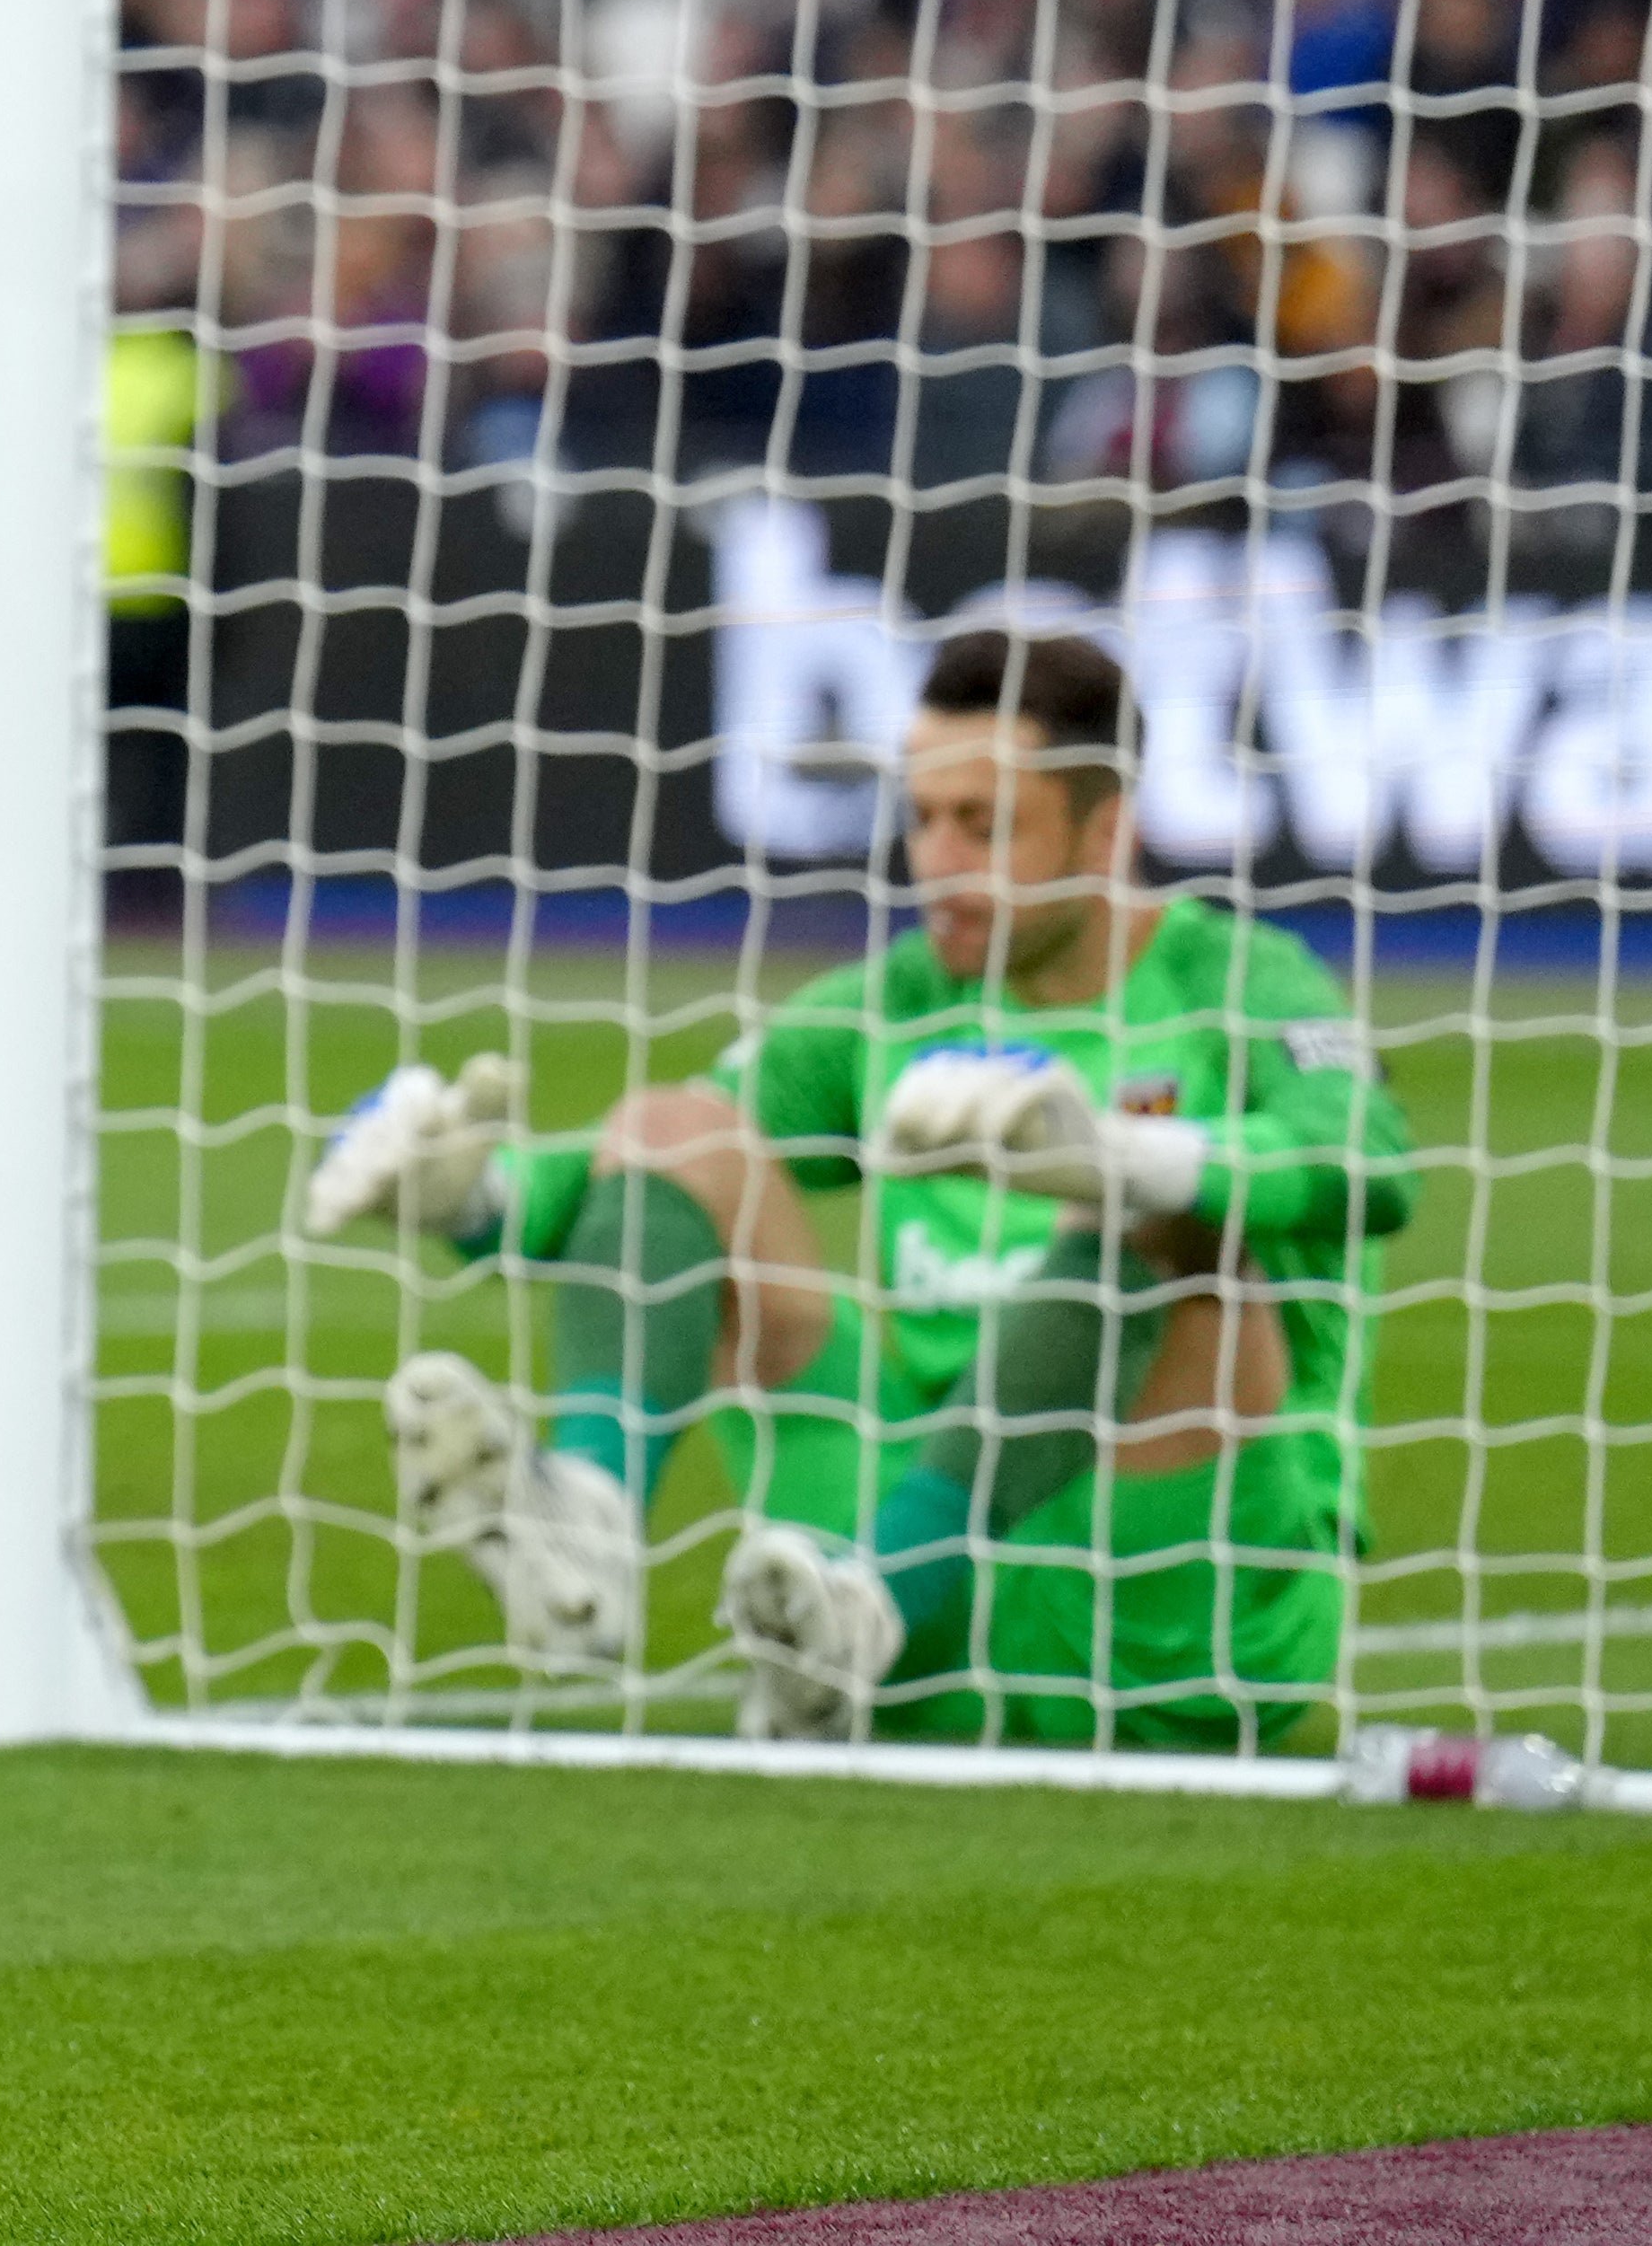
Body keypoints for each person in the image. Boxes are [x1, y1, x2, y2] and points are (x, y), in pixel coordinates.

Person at [313, 623, 1413, 1748]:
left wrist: (1135, 1158)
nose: (936, 858)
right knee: (676, 1127)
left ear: (1104, 828)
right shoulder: (892, 1003)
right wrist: (469, 1195)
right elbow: (637, 1168)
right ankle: (591, 1525)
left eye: (983, 825)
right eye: (922, 816)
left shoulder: (1233, 982)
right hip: (892, 1609)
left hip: (1166, 1603)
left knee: (1174, 1223)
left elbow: (1369, 1155)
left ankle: (880, 1585)